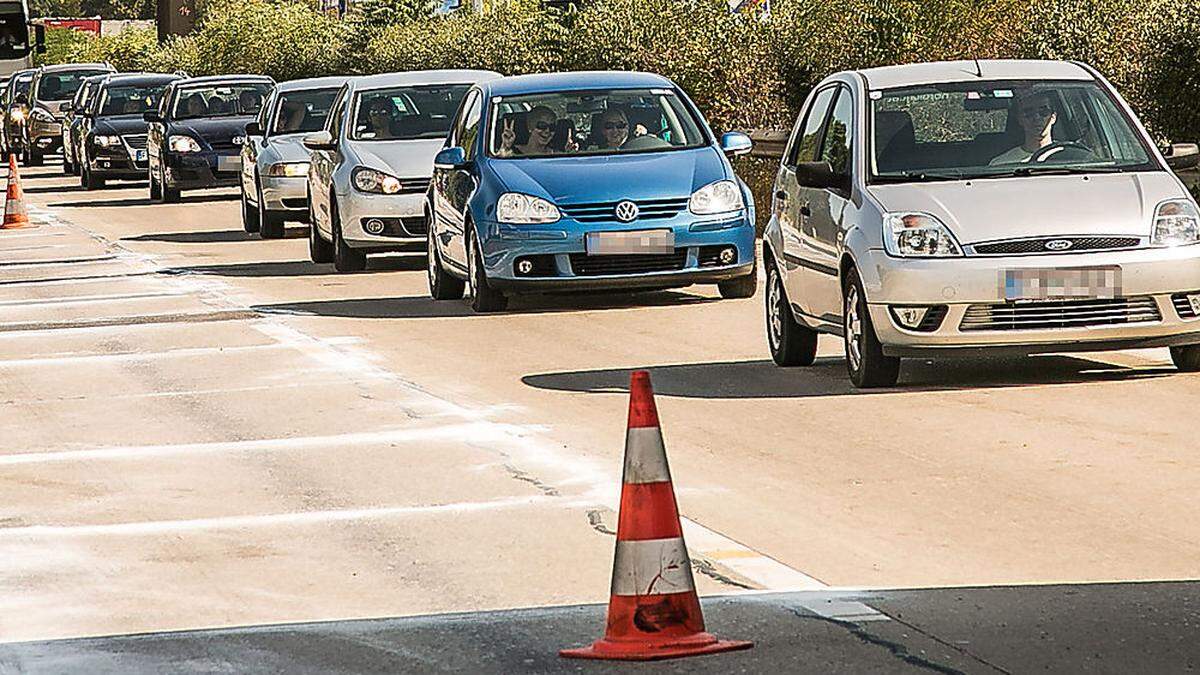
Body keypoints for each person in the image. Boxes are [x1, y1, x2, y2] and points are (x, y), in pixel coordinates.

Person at [990, 92, 1058, 165]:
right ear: (1020, 119)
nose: (1036, 118)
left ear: (1053, 117)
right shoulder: (1001, 164)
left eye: (1043, 112)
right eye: (1029, 113)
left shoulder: (1068, 157)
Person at [497, 105, 576, 156]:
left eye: (552, 127)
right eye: (542, 126)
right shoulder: (511, 153)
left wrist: (570, 155)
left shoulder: (556, 155)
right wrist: (505, 147)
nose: (547, 131)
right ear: (530, 127)